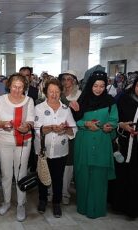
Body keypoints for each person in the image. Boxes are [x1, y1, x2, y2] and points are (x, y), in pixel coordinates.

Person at [73, 70, 118, 219]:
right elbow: (74, 121)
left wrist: (109, 126)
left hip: (102, 143)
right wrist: (85, 124)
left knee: (99, 177)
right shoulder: (82, 101)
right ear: (90, 85)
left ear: (106, 86)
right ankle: (83, 207)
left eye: (102, 86)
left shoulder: (111, 102)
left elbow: (114, 120)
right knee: (83, 176)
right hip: (84, 143)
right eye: (95, 86)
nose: (98, 89)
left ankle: (97, 209)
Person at [0, 73, 35, 221]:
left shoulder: (29, 101)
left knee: (21, 173)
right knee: (6, 174)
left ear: (25, 88)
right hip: (4, 140)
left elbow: (31, 122)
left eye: (20, 87)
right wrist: (2, 124)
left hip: (23, 141)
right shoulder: (0, 100)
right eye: (14, 86)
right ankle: (7, 201)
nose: (17, 90)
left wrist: (26, 126)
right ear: (9, 85)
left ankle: (21, 204)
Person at [34, 78, 77, 218]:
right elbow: (36, 128)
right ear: (46, 92)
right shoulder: (39, 108)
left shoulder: (66, 109)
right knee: (42, 176)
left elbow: (74, 129)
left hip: (60, 151)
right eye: (51, 91)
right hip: (42, 151)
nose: (54, 94)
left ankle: (56, 203)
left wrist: (65, 130)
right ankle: (42, 200)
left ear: (61, 93)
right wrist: (51, 128)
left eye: (57, 91)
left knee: (58, 178)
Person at [109, 76, 138, 218]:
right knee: (123, 174)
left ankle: (133, 209)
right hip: (125, 144)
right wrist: (122, 125)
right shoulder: (125, 99)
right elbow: (115, 119)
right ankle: (119, 205)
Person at [58, 70, 82, 205]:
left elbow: (80, 115)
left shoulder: (80, 95)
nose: (67, 82)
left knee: (68, 163)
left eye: (69, 79)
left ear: (74, 80)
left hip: (72, 133)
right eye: (64, 79)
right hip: (57, 131)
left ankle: (65, 193)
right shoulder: (58, 94)